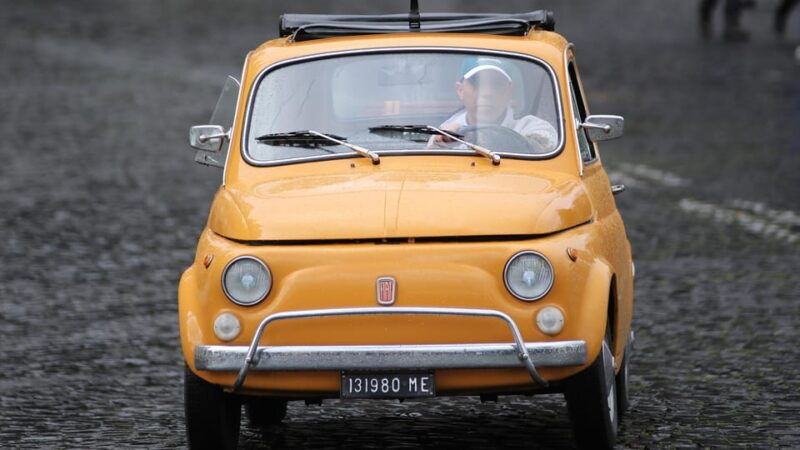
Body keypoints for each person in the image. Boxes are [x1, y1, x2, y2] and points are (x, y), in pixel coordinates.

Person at [429, 57, 557, 152]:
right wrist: (442, 141)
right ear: (460, 90)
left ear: (509, 91)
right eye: (477, 83)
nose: (487, 93)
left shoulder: (534, 128)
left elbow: (537, 149)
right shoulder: (444, 133)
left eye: (497, 84)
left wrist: (469, 135)